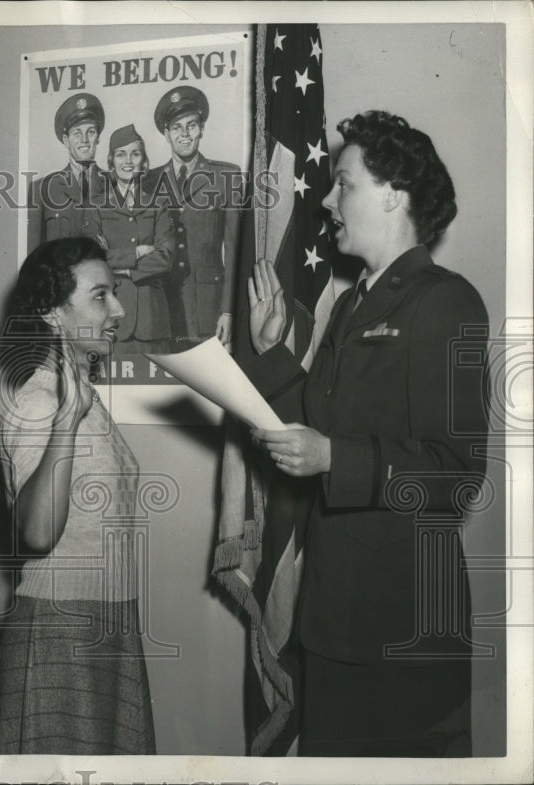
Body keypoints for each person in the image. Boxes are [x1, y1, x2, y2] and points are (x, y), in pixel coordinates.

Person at [245, 111, 488, 756]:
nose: (327, 200)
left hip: (401, 629)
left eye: (343, 183)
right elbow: (322, 429)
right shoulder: (354, 305)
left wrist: (335, 457)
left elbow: (457, 472)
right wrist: (272, 354)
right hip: (333, 621)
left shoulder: (446, 301)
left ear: (393, 192)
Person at [0, 237, 156, 755]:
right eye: (100, 296)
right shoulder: (40, 401)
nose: (119, 309)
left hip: (111, 621)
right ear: (51, 313)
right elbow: (37, 533)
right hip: (59, 630)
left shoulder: (81, 397)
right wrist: (65, 421)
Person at [142, 86, 244, 349]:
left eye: (192, 126)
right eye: (176, 127)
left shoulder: (226, 177)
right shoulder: (149, 181)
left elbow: (234, 251)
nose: (185, 135)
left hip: (207, 308)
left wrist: (229, 310)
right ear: (166, 134)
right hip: (161, 306)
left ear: (202, 129)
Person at [83, 123, 174, 355]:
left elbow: (166, 258)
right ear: (111, 161)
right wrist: (136, 253)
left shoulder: (159, 204)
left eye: (135, 154)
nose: (128, 161)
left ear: (144, 161)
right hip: (111, 318)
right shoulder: (96, 206)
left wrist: (120, 268)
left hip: (153, 319)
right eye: (121, 155)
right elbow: (91, 260)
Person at [27, 92, 108, 252]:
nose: (84, 140)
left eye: (90, 132)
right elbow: (33, 255)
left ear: (98, 137)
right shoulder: (41, 189)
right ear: (66, 140)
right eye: (77, 133)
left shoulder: (116, 185)